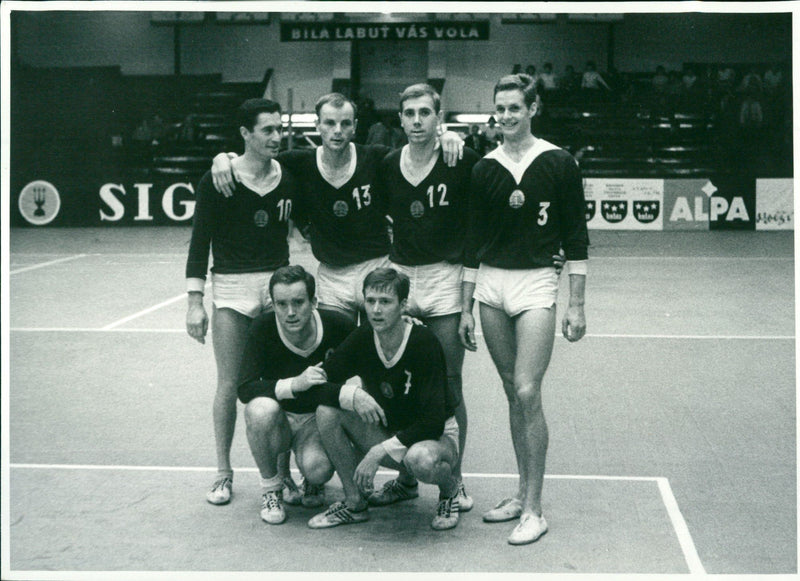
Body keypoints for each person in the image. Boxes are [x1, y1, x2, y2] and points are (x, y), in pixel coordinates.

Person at [460, 73, 589, 545]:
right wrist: (465, 307)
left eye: (516, 107)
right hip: (490, 287)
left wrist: (576, 303)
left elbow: (576, 237)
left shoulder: (558, 162)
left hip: (536, 284)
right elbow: (473, 241)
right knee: (511, 393)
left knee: (527, 389)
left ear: (533, 108)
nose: (507, 116)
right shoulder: (483, 168)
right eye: (501, 108)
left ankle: (534, 509)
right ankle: (519, 493)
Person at [210, 93, 464, 323]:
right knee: (335, 357)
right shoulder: (299, 163)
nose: (337, 131)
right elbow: (255, 158)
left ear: (354, 127)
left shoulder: (376, 158)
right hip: (332, 277)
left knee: (375, 361)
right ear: (317, 125)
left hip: (376, 270)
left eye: (345, 124)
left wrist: (447, 136)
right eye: (330, 123)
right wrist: (224, 158)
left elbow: (415, 155)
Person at [371, 83, 480, 513]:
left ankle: (455, 481)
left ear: (439, 117)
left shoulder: (461, 159)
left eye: (425, 114)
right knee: (400, 384)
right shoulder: (385, 164)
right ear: (399, 119)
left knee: (449, 386)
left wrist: (468, 303)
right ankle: (406, 479)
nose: (417, 121)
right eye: (409, 114)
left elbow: (478, 225)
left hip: (445, 279)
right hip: (402, 277)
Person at [185, 98, 299, 506]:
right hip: (232, 290)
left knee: (281, 384)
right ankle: (223, 472)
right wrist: (195, 302)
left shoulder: (288, 175)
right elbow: (199, 245)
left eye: (279, 128)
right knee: (229, 384)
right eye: (267, 130)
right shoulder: (219, 179)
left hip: (276, 288)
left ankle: (284, 474)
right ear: (245, 135)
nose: (276, 136)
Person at [307, 268, 462, 531]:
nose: (376, 310)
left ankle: (450, 491)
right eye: (370, 301)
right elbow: (317, 384)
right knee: (327, 410)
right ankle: (354, 503)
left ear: (403, 306)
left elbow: (434, 421)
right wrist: (350, 394)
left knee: (420, 459)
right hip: (390, 430)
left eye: (385, 302)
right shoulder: (363, 336)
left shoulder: (424, 342)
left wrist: (379, 451)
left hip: (435, 439)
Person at [236, 265, 364, 524]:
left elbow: (372, 346)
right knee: (259, 409)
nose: (290, 312)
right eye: (281, 304)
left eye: (298, 302)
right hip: (280, 420)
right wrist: (295, 384)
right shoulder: (262, 327)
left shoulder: (338, 325)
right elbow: (245, 388)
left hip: (315, 424)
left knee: (318, 471)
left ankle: (311, 479)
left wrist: (405, 324)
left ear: (314, 301)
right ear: (273, 304)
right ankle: (272, 489)